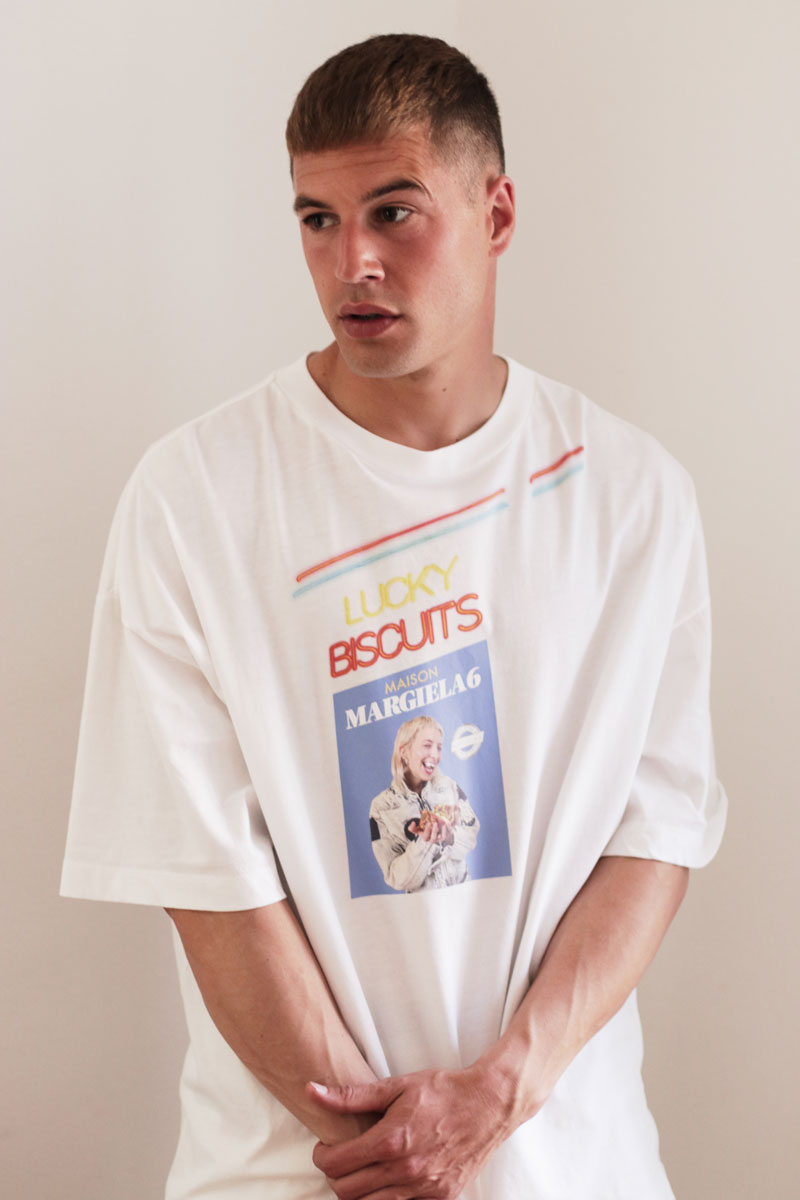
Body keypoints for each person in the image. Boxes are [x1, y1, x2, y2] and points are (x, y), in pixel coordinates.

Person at [61, 32, 727, 1200]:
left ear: (495, 213)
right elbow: (207, 880)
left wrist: (497, 1098)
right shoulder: (195, 496)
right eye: (316, 219)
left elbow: (653, 834)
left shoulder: (629, 495)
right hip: (294, 1174)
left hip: (571, 1170)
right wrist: (392, 1153)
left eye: (393, 212)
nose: (351, 261)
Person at [369, 715, 480, 892]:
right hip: (421, 906)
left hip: (464, 896)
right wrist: (424, 844)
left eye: (439, 747)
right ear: (404, 752)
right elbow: (396, 878)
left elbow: (472, 835)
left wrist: (450, 837)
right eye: (427, 745)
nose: (435, 755)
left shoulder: (450, 787)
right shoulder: (381, 808)